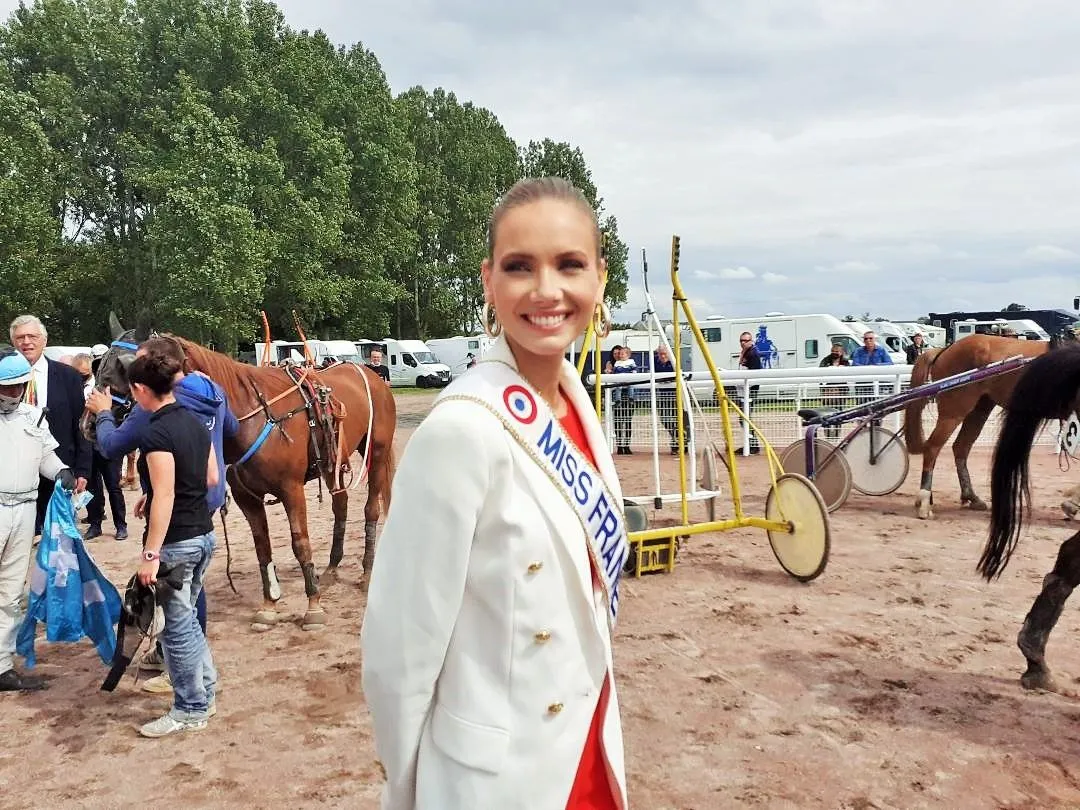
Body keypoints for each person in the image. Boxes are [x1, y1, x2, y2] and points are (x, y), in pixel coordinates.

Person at [361, 177, 629, 809]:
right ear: (488, 281)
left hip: (589, 752)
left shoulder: (579, 410)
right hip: (495, 782)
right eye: (519, 266)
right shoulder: (460, 430)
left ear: (600, 279)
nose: (546, 290)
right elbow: (400, 653)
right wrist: (410, 790)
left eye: (570, 264)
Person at [85, 336, 237, 693]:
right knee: (190, 585)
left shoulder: (153, 411)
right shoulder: (211, 389)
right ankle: (184, 665)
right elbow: (230, 431)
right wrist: (155, 487)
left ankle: (183, 676)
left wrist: (103, 413)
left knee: (179, 595)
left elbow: (111, 446)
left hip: (177, 509)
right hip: (205, 496)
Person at [125, 350, 219, 737]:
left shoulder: (155, 432)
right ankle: (205, 694)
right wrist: (158, 492)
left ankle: (190, 708)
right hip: (203, 535)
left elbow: (165, 495)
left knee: (176, 630)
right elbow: (211, 477)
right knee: (186, 622)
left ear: (140, 389)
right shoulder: (196, 421)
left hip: (177, 542)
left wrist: (150, 554)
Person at [0, 350, 77, 692]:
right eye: (6, 387)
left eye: (18, 386)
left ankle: (2, 666)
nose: (13, 393)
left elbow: (46, 454)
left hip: (25, 511)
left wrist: (61, 471)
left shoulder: (33, 416)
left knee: (11, 591)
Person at [9, 315, 90, 533]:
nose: (26, 342)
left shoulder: (69, 376)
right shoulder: (4, 378)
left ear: (44, 340)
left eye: (32, 336)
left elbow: (81, 424)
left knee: (57, 537)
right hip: (16, 473)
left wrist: (83, 469)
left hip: (60, 468)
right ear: (13, 342)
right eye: (20, 337)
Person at [653, 345, 690, 455]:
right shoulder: (655, 362)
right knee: (665, 418)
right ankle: (677, 437)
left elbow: (678, 375)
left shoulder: (674, 361)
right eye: (660, 354)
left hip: (676, 394)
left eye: (664, 354)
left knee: (680, 419)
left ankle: (679, 443)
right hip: (664, 394)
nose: (663, 356)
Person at [610, 345, 636, 454]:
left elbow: (634, 373)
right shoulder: (613, 364)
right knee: (618, 421)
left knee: (628, 421)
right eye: (615, 353)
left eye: (619, 353)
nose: (617, 355)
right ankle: (620, 446)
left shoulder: (629, 363)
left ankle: (627, 445)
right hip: (617, 394)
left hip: (627, 394)